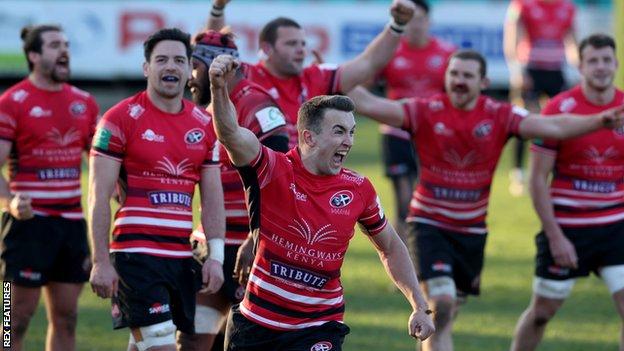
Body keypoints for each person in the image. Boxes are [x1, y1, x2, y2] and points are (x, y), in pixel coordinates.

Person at [346, 49, 624, 351]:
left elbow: (552, 127)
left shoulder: (499, 115)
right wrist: (336, 76)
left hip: (472, 232)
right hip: (429, 224)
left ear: (484, 82)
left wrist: (599, 121)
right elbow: (370, 103)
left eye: (467, 75)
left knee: (444, 318)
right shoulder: (424, 110)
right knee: (441, 303)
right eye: (454, 74)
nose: (459, 81)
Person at [208, 54, 435, 351]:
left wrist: (419, 304)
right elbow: (230, 133)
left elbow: (390, 247)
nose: (349, 141)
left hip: (319, 328)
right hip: (256, 325)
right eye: (339, 131)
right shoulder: (272, 167)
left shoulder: (358, 189)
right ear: (309, 137)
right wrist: (218, 87)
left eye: (351, 132)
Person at [88, 28, 225, 351]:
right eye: (161, 59)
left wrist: (215, 257)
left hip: (180, 256)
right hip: (136, 257)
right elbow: (98, 195)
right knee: (160, 344)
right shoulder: (119, 119)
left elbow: (212, 197)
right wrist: (101, 261)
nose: (171, 67)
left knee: (145, 344)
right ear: (146, 68)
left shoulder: (203, 124)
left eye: (179, 60)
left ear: (189, 68)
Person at [510, 34, 624, 351]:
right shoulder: (560, 109)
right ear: (580, 65)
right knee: (542, 313)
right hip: (568, 229)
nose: (600, 67)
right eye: (593, 61)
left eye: (606, 60)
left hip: (616, 227)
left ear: (615, 63)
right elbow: (536, 179)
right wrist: (555, 236)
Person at [179, 29, 289, 351]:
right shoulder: (207, 108)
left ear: (214, 67)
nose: (189, 78)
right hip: (209, 244)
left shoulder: (256, 103)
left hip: (246, 247)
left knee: (236, 342)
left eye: (193, 67)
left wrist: (257, 236)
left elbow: (279, 175)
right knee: (193, 338)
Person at [0, 24, 99, 351]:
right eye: (55, 44)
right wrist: (11, 202)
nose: (64, 50)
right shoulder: (12, 102)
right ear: (33, 55)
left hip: (70, 226)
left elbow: (100, 162)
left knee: (67, 317)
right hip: (26, 228)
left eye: (66, 43)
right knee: (9, 320)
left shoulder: (84, 103)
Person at [207, 0, 417, 148]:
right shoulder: (246, 75)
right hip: (255, 181)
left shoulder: (314, 77)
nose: (301, 50)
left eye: (303, 44)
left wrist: (397, 26)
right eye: (291, 44)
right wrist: (218, 8)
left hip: (301, 186)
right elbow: (213, 52)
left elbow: (368, 64)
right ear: (267, 48)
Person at [372, 0, 455, 244]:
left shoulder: (446, 53)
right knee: (404, 200)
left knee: (432, 198)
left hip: (432, 134)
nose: (416, 25)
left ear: (429, 21)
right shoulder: (390, 52)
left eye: (420, 19)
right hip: (396, 132)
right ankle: (403, 260)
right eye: (411, 20)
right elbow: (365, 80)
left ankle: (431, 252)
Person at [503, 0, 578, 196]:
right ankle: (518, 173)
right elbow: (513, 38)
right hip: (531, 70)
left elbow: (571, 40)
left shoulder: (567, 7)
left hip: (555, 70)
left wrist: (581, 67)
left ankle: (558, 171)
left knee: (561, 122)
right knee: (524, 120)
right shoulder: (522, 5)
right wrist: (517, 70)